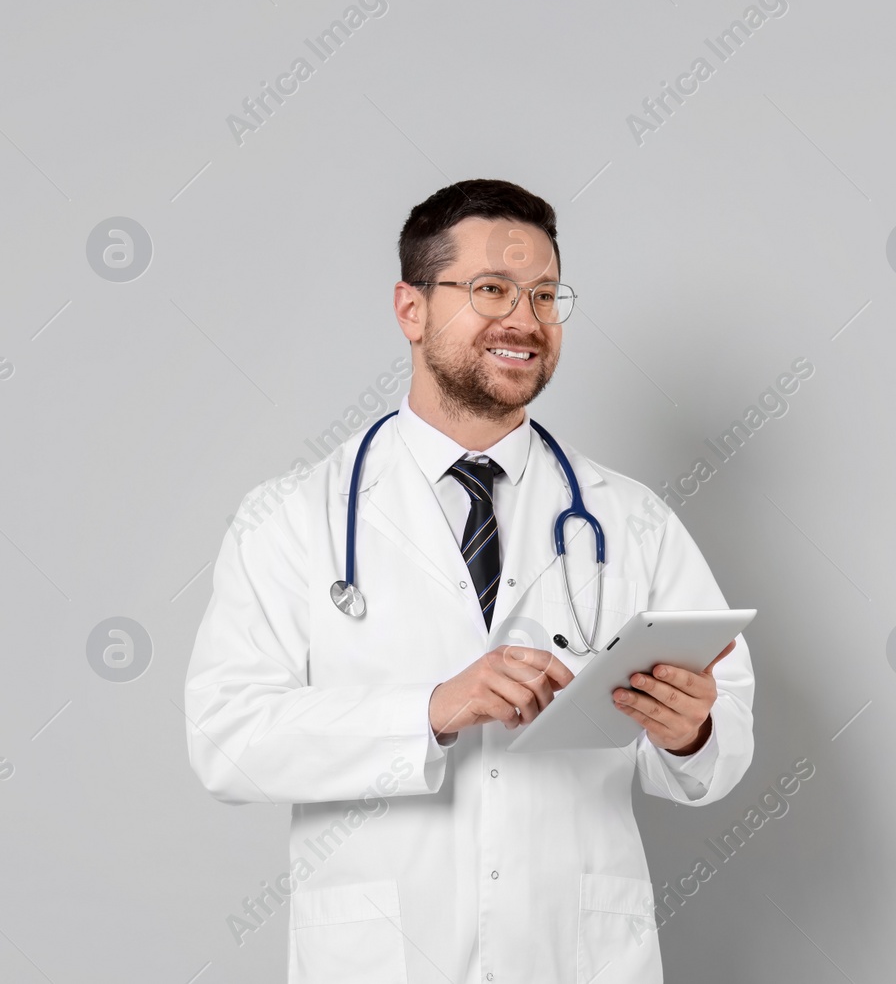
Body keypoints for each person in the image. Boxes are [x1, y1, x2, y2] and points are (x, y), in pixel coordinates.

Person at [183, 179, 755, 983]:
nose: (524, 318)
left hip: (573, 955)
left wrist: (690, 729)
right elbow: (225, 739)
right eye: (491, 289)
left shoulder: (632, 521)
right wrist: (431, 708)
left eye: (546, 294)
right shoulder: (292, 518)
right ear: (410, 308)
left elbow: (719, 750)